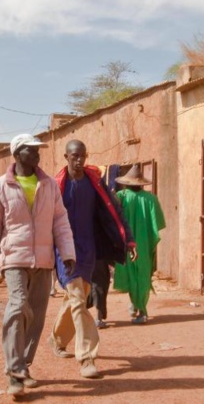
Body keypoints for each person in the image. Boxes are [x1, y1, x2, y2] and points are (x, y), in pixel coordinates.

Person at [0, 133, 77, 397]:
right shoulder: (1, 186)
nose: (37, 154)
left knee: (36, 315)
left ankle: (23, 365)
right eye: (31, 150)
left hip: (43, 261)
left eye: (38, 150)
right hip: (14, 260)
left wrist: (68, 254)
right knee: (17, 305)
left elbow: (60, 222)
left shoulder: (48, 185)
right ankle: (14, 371)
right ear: (17, 153)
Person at [49, 140, 136, 378]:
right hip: (65, 251)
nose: (79, 161)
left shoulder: (95, 183)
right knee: (78, 299)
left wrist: (127, 240)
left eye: (82, 156)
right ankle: (87, 357)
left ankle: (56, 339)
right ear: (66, 157)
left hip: (89, 249)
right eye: (74, 156)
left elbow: (114, 211)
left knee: (75, 299)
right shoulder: (55, 186)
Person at [113, 164, 166, 325]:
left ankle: (140, 309)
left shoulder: (121, 196)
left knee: (130, 274)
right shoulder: (150, 198)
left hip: (126, 243)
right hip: (143, 243)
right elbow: (157, 223)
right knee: (142, 276)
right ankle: (139, 306)